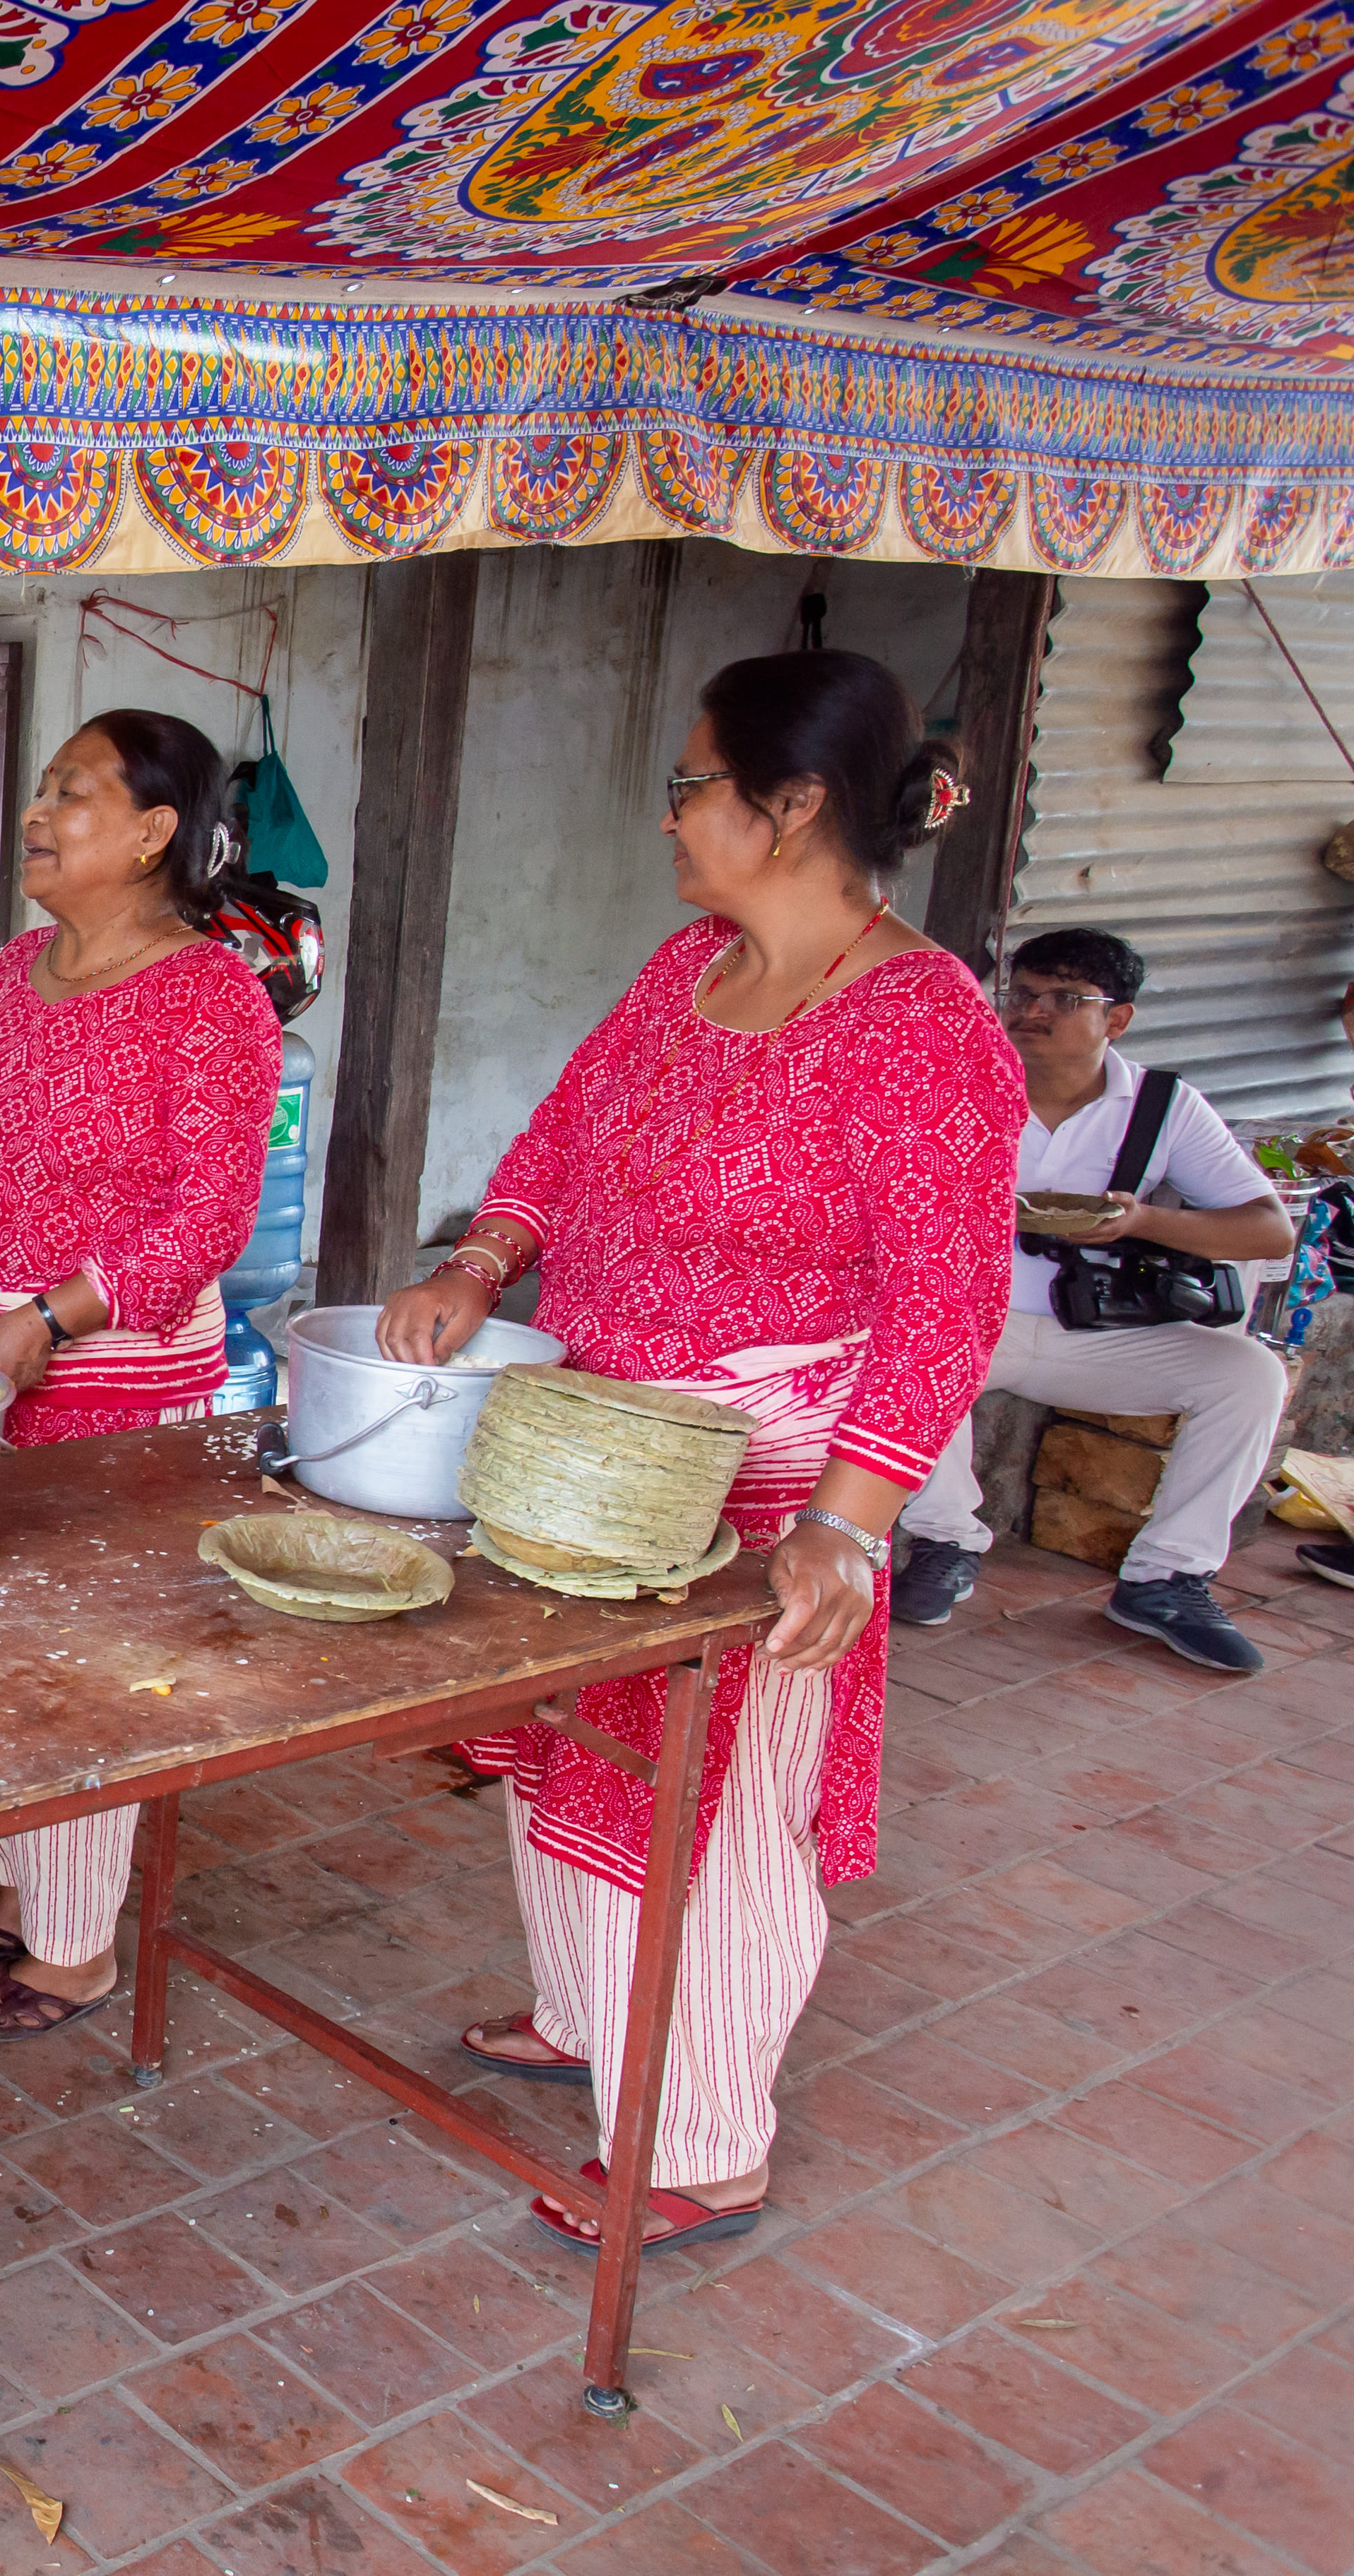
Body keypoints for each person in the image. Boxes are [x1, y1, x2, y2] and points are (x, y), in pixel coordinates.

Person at [377, 650, 1017, 2258]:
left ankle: (703, 2143)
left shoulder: (914, 1022)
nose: (664, 819)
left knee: (715, 1811)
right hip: (591, 1459)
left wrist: (843, 1523)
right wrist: (476, 1263)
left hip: (760, 1491)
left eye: (686, 787)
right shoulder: (685, 972)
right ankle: (588, 2018)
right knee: (570, 1758)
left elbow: (942, 1306)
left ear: (788, 805)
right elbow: (558, 1138)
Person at [0, 710, 280, 2044]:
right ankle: (14, 1877)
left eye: (73, 794)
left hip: (104, 1374)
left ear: (157, 831)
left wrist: (55, 1312)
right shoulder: (12, 972)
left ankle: (73, 1950)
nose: (39, 812)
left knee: (88, 1665)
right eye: (39, 788)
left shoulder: (207, 992)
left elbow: (206, 1212)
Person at [890, 929, 1295, 1667]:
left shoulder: (1163, 1106)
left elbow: (1269, 1232)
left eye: (1066, 999)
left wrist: (1142, 1220)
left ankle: (1165, 1577)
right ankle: (946, 1542)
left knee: (1249, 1375)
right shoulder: (954, 1083)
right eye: (1023, 994)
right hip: (973, 1324)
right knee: (913, 1331)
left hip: (1097, 1330)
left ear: (1118, 1019)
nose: (1032, 1013)